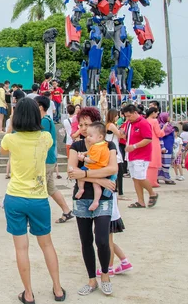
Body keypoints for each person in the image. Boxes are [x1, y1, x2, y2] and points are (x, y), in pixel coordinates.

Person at [0, 98, 66, 303]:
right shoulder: (45, 137)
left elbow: (3, 150)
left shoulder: (11, 139)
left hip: (15, 197)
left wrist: (11, 122)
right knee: (47, 245)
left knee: (21, 248)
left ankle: (28, 293)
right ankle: (57, 289)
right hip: (38, 198)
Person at [67, 106, 118, 296]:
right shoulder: (77, 146)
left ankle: (105, 275)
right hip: (82, 198)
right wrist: (99, 179)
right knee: (86, 240)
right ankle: (91, 279)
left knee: (103, 240)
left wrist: (85, 174)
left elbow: (112, 169)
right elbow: (72, 172)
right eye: (80, 124)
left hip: (103, 198)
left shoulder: (108, 145)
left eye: (87, 124)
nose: (84, 129)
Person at [34, 96, 74, 224]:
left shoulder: (44, 121)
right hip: (49, 159)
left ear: (40, 107)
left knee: (39, 189)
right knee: (51, 188)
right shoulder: (47, 119)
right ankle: (67, 211)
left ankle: (38, 217)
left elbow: (41, 140)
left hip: (46, 160)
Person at [122, 104, 158, 209]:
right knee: (135, 178)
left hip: (141, 155)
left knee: (140, 177)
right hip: (131, 154)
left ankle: (152, 193)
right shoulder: (129, 123)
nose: (127, 118)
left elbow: (148, 138)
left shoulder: (143, 123)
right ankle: (140, 201)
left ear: (135, 113)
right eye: (126, 116)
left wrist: (134, 146)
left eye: (129, 116)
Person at [76, 122, 112, 212]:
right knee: (96, 186)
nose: (88, 137)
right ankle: (96, 201)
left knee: (80, 175)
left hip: (94, 167)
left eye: (90, 136)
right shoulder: (103, 144)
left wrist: (83, 158)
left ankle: (81, 189)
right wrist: (85, 153)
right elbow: (90, 152)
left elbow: (93, 160)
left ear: (100, 137)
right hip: (100, 169)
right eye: (88, 135)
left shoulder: (96, 147)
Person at [96, 191, 133, 277]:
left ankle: (109, 267)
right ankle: (124, 262)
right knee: (109, 241)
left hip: (107, 215)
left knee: (107, 243)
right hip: (113, 213)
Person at [105, 109, 126, 197]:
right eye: (116, 115)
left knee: (118, 171)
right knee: (119, 171)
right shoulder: (111, 125)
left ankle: (118, 190)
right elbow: (120, 135)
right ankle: (118, 191)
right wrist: (123, 130)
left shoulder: (109, 125)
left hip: (113, 148)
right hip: (113, 149)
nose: (118, 116)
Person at [145, 107, 163, 188]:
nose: (157, 115)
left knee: (148, 162)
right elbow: (159, 133)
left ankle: (147, 181)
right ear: (153, 113)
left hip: (146, 142)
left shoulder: (145, 120)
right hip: (154, 142)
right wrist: (164, 129)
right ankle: (153, 182)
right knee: (154, 161)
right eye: (156, 113)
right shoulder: (155, 121)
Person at [158, 112, 176, 184]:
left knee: (167, 163)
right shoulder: (162, 126)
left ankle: (163, 177)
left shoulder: (168, 125)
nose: (169, 117)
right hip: (165, 147)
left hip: (169, 146)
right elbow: (160, 137)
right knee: (164, 163)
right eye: (168, 116)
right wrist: (162, 147)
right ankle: (166, 177)